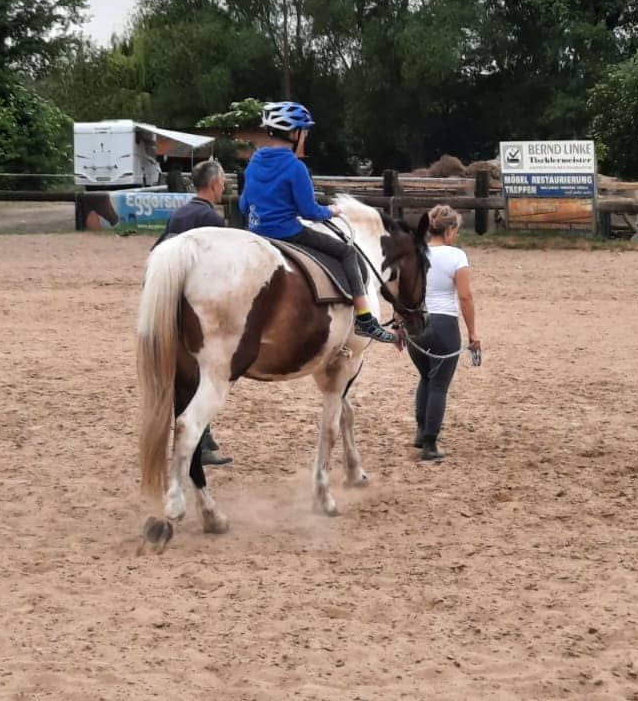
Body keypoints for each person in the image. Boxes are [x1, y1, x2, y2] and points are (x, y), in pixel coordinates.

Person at [238, 102, 398, 344]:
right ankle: (364, 318)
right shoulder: (295, 167)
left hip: (255, 232)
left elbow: (243, 205)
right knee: (346, 252)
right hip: (286, 232)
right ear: (294, 134)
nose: (305, 137)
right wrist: (331, 210)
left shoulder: (255, 161)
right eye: (305, 132)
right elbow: (310, 211)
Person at [158, 159, 232, 467]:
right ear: (214, 185)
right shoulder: (211, 220)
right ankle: (199, 443)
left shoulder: (180, 213)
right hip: (198, 309)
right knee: (203, 376)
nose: (224, 185)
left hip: (172, 304)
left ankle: (205, 439)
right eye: (223, 180)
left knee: (187, 375)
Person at [409, 203, 481, 463]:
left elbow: (403, 292)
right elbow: (465, 297)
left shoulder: (416, 253)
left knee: (426, 377)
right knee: (439, 384)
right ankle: (430, 443)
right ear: (449, 230)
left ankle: (420, 431)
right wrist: (473, 333)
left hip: (415, 326)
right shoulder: (456, 257)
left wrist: (397, 324)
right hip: (444, 326)